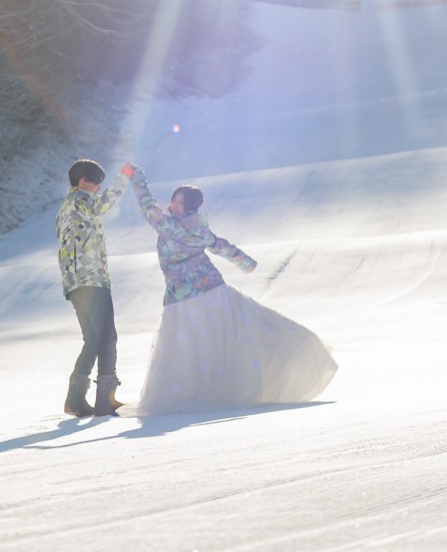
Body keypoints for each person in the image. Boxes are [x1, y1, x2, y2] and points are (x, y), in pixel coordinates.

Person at [121, 166, 337, 414]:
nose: (174, 204)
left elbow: (148, 205)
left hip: (198, 294)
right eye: (174, 199)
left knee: (205, 344)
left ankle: (207, 389)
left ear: (190, 207)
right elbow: (220, 246)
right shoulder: (192, 228)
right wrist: (246, 263)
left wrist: (136, 176)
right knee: (206, 344)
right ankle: (203, 388)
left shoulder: (168, 225)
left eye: (180, 202)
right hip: (191, 294)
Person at [57, 158, 135, 417]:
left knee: (92, 340)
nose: (98, 189)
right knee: (107, 338)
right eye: (96, 184)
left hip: (75, 282)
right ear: (83, 182)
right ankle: (106, 399)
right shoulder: (80, 202)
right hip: (90, 279)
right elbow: (102, 205)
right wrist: (124, 177)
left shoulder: (67, 207)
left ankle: (75, 400)